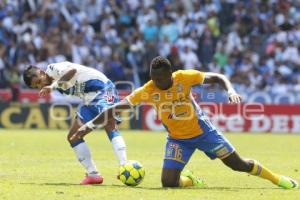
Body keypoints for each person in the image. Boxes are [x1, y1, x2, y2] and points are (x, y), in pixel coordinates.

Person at [70, 56, 298, 189]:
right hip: (178, 139)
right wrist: (87, 126)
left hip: (203, 131)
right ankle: (191, 180)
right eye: (153, 78)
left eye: (160, 78)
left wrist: (230, 90)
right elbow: (114, 109)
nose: (157, 82)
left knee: (238, 165)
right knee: (169, 183)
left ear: (170, 74)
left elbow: (217, 77)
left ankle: (277, 179)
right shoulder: (147, 90)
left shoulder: (184, 77)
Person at [23, 61, 128, 185]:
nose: (41, 86)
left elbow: (72, 71)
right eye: (37, 87)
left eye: (39, 82)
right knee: (73, 137)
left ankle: (124, 166)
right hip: (89, 100)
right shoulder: (53, 84)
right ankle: (93, 175)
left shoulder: (53, 69)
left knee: (109, 124)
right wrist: (53, 86)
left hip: (103, 89)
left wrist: (53, 87)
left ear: (41, 73)